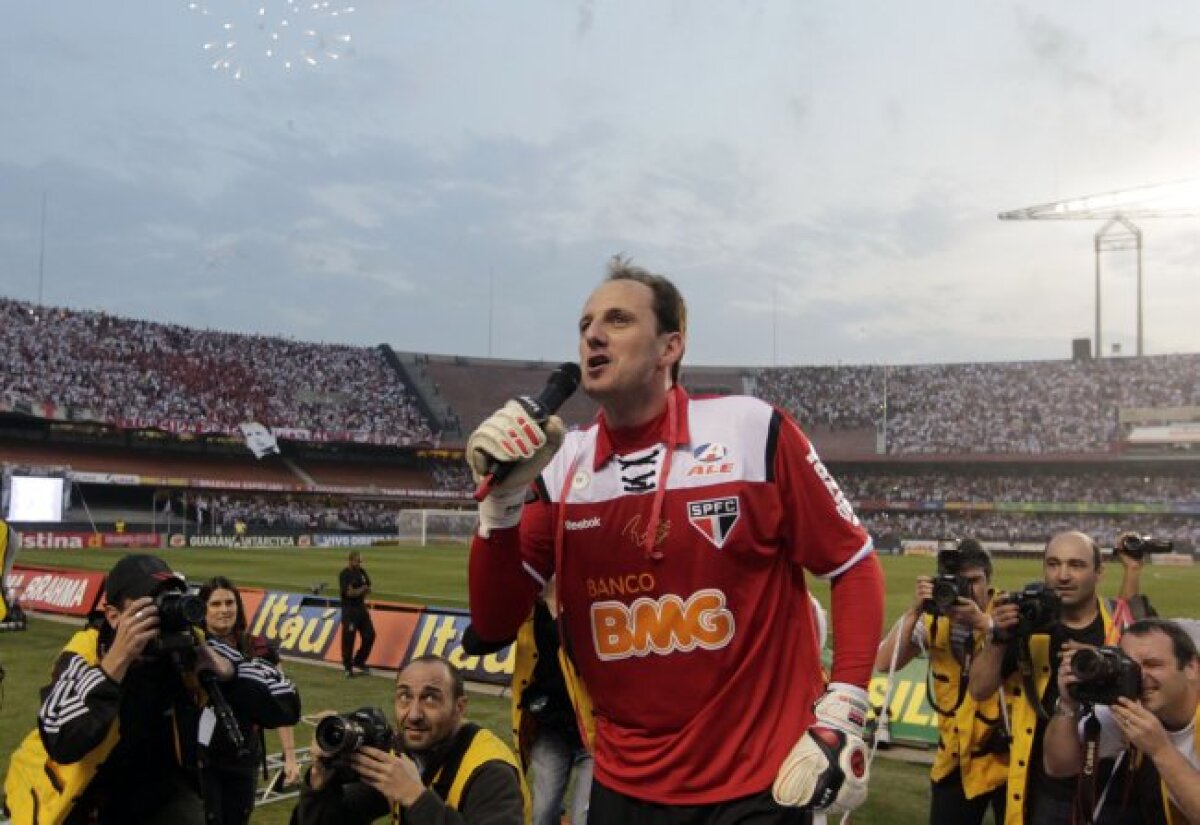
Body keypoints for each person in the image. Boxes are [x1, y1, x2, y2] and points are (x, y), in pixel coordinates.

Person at [465, 256, 885, 822]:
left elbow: (853, 562)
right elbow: (493, 622)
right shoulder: (560, 463)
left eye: (617, 320)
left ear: (670, 348)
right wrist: (500, 506)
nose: (593, 333)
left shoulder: (750, 430)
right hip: (625, 782)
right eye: (585, 323)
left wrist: (845, 708)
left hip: (758, 781)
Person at [3, 554, 301, 824]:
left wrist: (229, 672)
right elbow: (61, 738)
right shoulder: (87, 652)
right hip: (85, 801)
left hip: (161, 796)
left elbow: (287, 700)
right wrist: (116, 663)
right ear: (113, 616)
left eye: (169, 601)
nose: (161, 617)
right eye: (149, 607)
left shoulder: (189, 645)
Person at [969, 530, 1151, 825]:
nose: (1062, 576)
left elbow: (1156, 688)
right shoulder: (1026, 625)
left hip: (1120, 784)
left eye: (1076, 565)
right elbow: (978, 689)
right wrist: (997, 638)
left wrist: (1103, 661)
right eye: (1053, 564)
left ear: (1099, 572)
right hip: (1048, 789)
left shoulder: (1123, 621)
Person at [295, 655, 527, 824]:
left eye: (430, 698)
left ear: (460, 707)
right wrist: (320, 784)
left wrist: (415, 796)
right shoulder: (403, 752)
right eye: (405, 696)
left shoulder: (490, 771)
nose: (414, 715)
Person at [874, 538, 1010, 825]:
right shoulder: (935, 620)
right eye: (958, 582)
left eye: (974, 581)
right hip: (955, 758)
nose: (967, 591)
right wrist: (915, 610)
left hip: (1007, 759)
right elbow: (884, 663)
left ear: (989, 580)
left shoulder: (1006, 612)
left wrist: (985, 625)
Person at [1043, 617, 1200, 824]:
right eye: (1130, 666)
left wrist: (1160, 750)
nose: (1140, 676)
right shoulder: (1129, 705)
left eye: (1153, 664)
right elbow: (1059, 765)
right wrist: (1067, 704)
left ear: (1191, 667)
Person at [465, 578, 595, 825]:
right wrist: (507, 605)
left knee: (584, 816)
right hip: (548, 726)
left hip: (593, 727)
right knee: (542, 813)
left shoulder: (591, 596)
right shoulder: (527, 608)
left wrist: (555, 604)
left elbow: (585, 657)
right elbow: (472, 643)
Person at [198, 576, 301, 824]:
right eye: (215, 604)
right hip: (202, 760)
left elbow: (278, 701)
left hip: (245, 756)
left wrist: (290, 756)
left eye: (229, 602)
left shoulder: (258, 646)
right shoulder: (192, 646)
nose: (224, 610)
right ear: (202, 609)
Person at [339, 550, 376, 677]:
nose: (360, 563)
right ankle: (347, 667)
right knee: (349, 639)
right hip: (350, 611)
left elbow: (369, 587)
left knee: (370, 635)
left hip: (361, 609)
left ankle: (359, 661)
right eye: (358, 561)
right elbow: (349, 593)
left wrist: (362, 590)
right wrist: (361, 589)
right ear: (351, 560)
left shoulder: (362, 572)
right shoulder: (345, 574)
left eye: (361, 561)